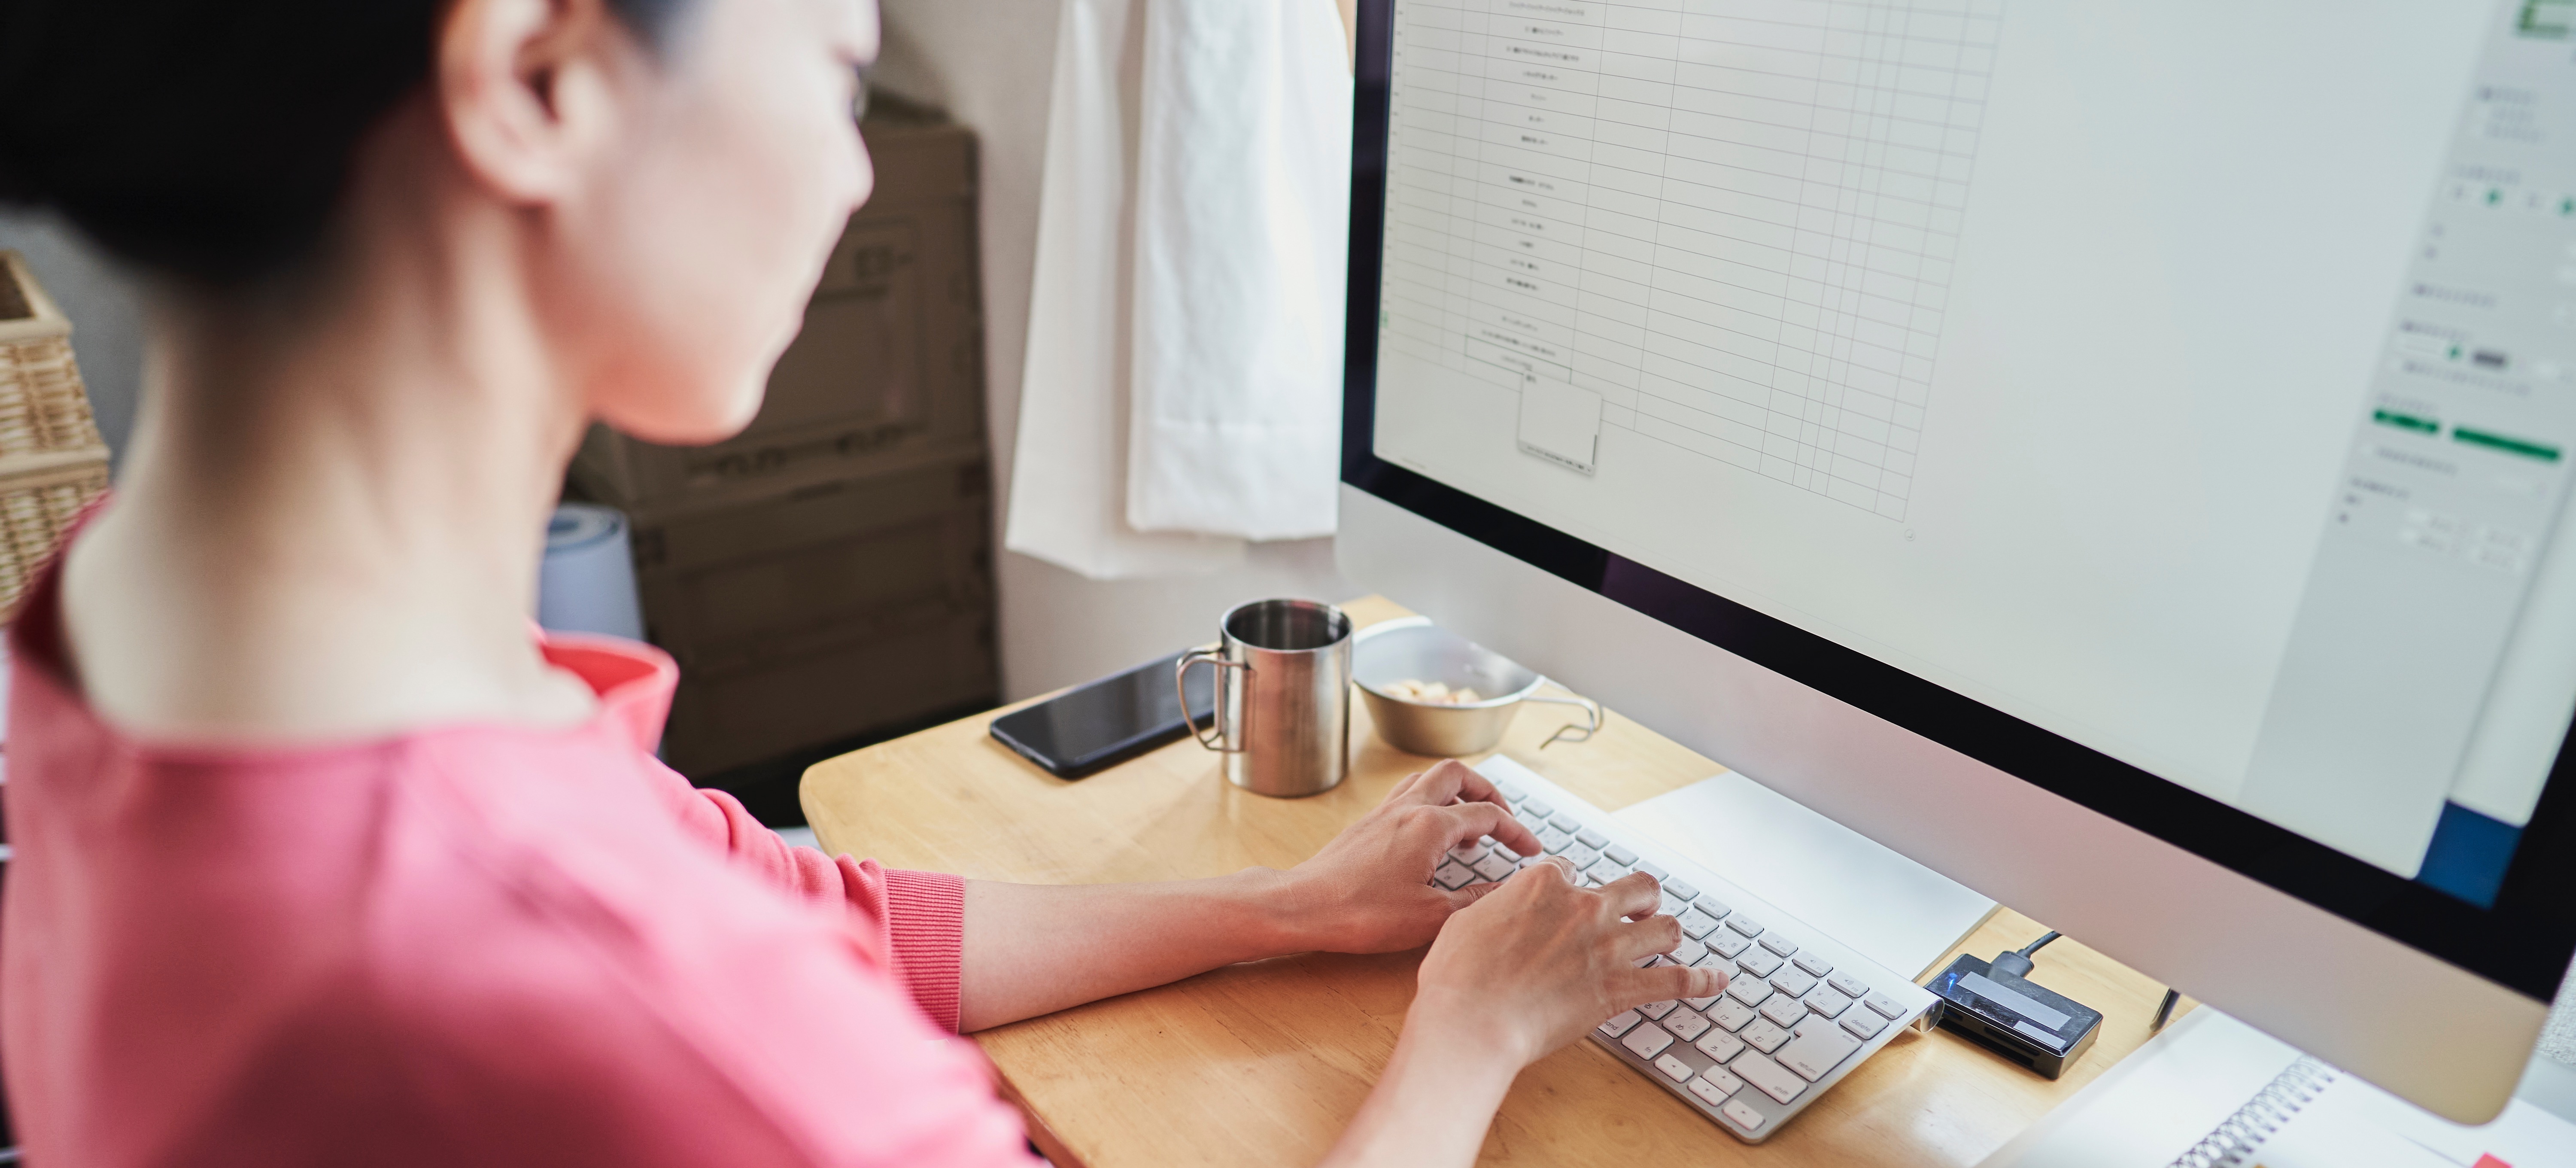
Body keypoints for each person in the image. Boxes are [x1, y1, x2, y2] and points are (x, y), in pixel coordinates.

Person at [0, 0, 1723, 1164]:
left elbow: (805, 910)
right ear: (538, 77)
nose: (850, 167)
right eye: (835, 65)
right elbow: (714, 977)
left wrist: (1289, 909)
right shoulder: (643, 1020)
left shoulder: (139, 631)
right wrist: (1472, 1028)